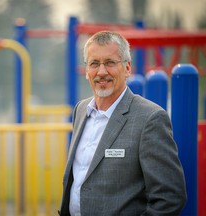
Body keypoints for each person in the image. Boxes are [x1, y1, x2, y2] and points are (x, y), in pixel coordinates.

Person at [59, 31, 187, 216]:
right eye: (94, 63)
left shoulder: (150, 118)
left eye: (110, 62)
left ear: (127, 68)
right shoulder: (81, 110)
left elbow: (170, 197)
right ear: (87, 71)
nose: (101, 72)